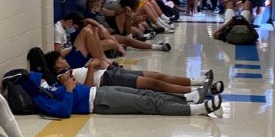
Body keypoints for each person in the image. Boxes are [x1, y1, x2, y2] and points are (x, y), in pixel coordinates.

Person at [23, 56, 223, 118]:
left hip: (99, 91)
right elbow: (64, 111)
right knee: (146, 103)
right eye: (38, 82)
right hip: (98, 101)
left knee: (148, 93)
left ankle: (189, 98)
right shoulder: (42, 100)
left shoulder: (48, 89)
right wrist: (68, 88)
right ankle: (195, 110)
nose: (43, 83)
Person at [40, 52, 224, 102]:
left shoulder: (69, 71)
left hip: (111, 73)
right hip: (107, 81)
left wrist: (100, 65)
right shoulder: (63, 77)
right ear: (57, 66)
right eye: (61, 60)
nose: (65, 61)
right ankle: (196, 92)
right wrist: (90, 69)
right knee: (155, 84)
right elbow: (87, 89)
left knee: (157, 76)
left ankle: (200, 81)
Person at [53, 11, 121, 67]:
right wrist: (71, 48)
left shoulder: (66, 25)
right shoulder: (58, 31)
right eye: (75, 28)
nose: (74, 30)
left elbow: (87, 21)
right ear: (70, 22)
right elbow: (58, 54)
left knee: (91, 27)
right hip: (68, 60)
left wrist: (100, 27)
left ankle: (103, 58)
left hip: (73, 52)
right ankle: (102, 62)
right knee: (86, 31)